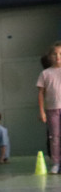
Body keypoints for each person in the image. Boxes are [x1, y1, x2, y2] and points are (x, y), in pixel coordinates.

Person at [36, 42, 61, 174]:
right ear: (50, 56)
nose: (58, 57)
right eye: (55, 54)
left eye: (60, 54)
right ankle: (56, 162)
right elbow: (41, 93)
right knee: (55, 137)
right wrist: (42, 111)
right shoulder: (45, 73)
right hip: (52, 109)